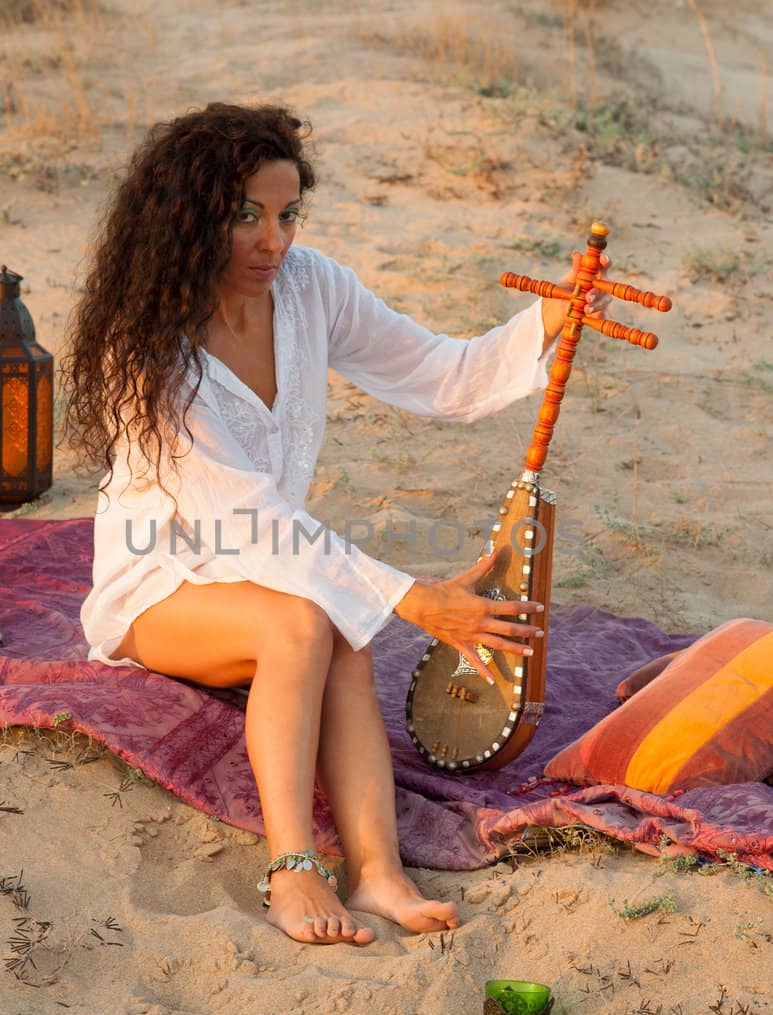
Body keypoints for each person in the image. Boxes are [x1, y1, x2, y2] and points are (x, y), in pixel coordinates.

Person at [63, 103, 613, 945]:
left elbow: (439, 373)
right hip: (161, 578)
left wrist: (553, 314)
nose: (271, 241)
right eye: (245, 215)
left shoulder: (310, 287)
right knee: (302, 616)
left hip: (269, 555)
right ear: (187, 217)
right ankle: (293, 868)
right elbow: (238, 517)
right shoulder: (148, 352)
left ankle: (379, 873)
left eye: (286, 215)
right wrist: (413, 597)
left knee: (343, 623)